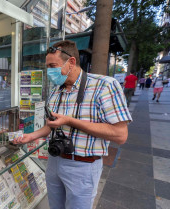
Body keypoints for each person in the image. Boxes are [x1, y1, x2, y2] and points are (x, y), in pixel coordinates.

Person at [13, 40, 132, 209]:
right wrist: (30, 136)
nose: (49, 71)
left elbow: (120, 135)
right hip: (54, 162)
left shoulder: (105, 85)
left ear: (72, 62)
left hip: (83, 166)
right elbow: (52, 125)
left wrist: (70, 121)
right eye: (47, 66)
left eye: (53, 65)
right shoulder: (56, 89)